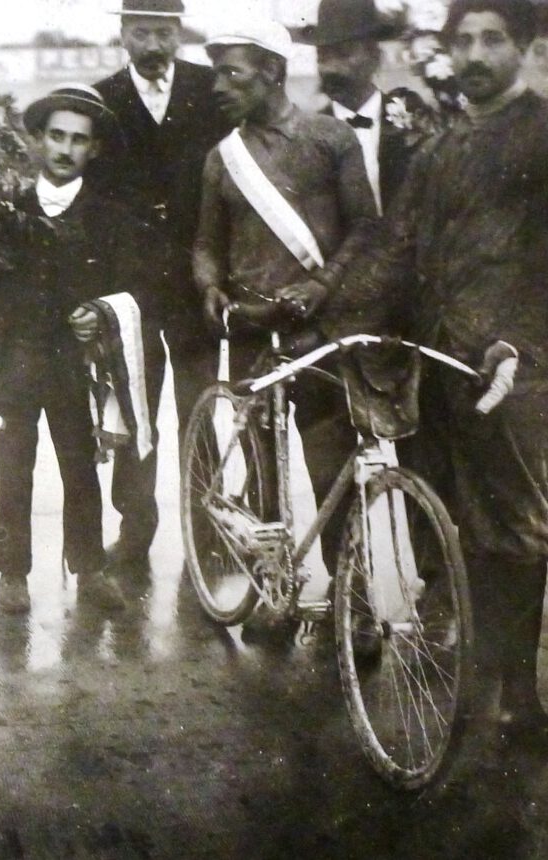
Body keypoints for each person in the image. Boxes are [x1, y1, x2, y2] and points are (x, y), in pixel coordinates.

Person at [328, 0, 548, 742]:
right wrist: (338, 316)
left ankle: (517, 694)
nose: (476, 54)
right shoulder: (440, 148)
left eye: (494, 39)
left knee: (514, 526)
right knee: (450, 515)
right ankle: (476, 674)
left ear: (524, 47)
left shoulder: (543, 135)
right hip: (437, 359)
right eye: (465, 40)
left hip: (513, 366)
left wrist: (520, 343)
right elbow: (397, 247)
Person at [191, 16, 377, 637]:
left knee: (330, 469)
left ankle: (354, 602)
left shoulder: (330, 140)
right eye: (216, 72)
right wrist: (210, 285)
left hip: (314, 330)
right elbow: (205, 245)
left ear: (273, 70)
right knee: (262, 469)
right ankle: (276, 595)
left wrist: (324, 284)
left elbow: (366, 229)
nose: (218, 85)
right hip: (249, 330)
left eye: (231, 72)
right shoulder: (222, 160)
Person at [0, 83, 159, 615]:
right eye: (56, 135)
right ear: (36, 140)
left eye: (79, 140)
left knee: (80, 466)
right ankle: (12, 573)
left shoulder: (109, 216)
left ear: (93, 150)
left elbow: (139, 287)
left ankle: (89, 566)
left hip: (75, 365)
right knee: (13, 468)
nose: (65, 149)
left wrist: (99, 311)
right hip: (13, 358)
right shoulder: (0, 207)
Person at [89, 0, 231, 571]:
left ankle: (207, 527)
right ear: (123, 33)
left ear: (178, 34)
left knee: (199, 405)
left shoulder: (209, 90)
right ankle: (135, 527)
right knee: (136, 410)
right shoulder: (101, 99)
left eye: (164, 33)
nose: (153, 45)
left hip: (197, 284)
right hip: (132, 290)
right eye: (142, 32)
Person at [300, 0, 425, 213]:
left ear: (375, 57)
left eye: (343, 54)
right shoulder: (308, 135)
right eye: (322, 56)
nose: (330, 68)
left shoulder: (413, 118)